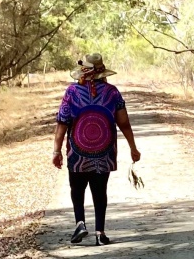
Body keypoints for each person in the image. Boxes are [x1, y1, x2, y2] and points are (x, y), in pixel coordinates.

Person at [52, 53, 141, 246]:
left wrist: (57, 151)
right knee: (100, 192)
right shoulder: (112, 92)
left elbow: (62, 123)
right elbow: (124, 123)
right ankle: (100, 233)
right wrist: (133, 147)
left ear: (83, 72)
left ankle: (80, 223)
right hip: (105, 151)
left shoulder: (72, 92)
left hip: (77, 152)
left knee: (77, 189)